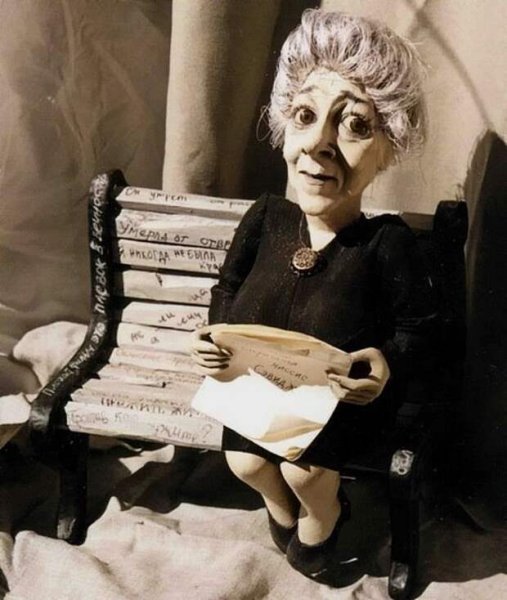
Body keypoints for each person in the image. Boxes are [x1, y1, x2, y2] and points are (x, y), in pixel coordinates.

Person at [191, 8, 437, 584]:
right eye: (305, 116)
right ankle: (282, 512)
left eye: (355, 125)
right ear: (285, 126)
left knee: (305, 474)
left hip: (334, 405)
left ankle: (322, 518)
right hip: (254, 391)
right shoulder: (266, 219)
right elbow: (227, 287)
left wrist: (383, 365)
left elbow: (417, 329)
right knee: (243, 460)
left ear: (389, 149)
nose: (321, 143)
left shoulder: (386, 243)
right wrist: (212, 336)